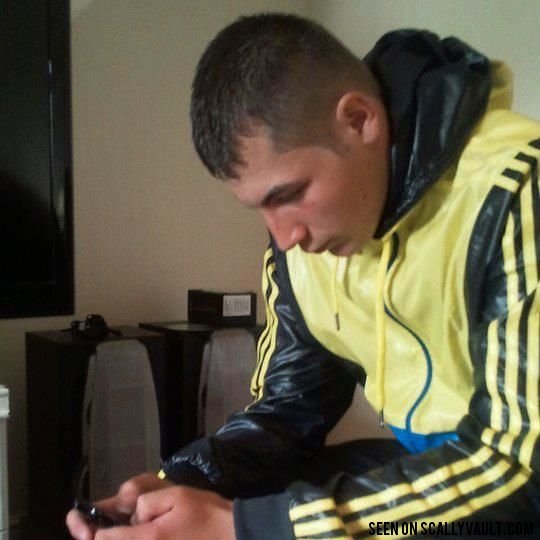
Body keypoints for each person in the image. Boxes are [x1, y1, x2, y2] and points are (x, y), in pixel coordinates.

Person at [67, 13, 540, 540]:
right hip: (453, 468)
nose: (285, 236)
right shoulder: (303, 244)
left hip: (518, 482)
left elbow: (519, 469)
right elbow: (289, 412)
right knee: (258, 504)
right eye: (261, 209)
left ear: (359, 120)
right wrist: (180, 484)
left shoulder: (517, 187)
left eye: (289, 194)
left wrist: (246, 527)